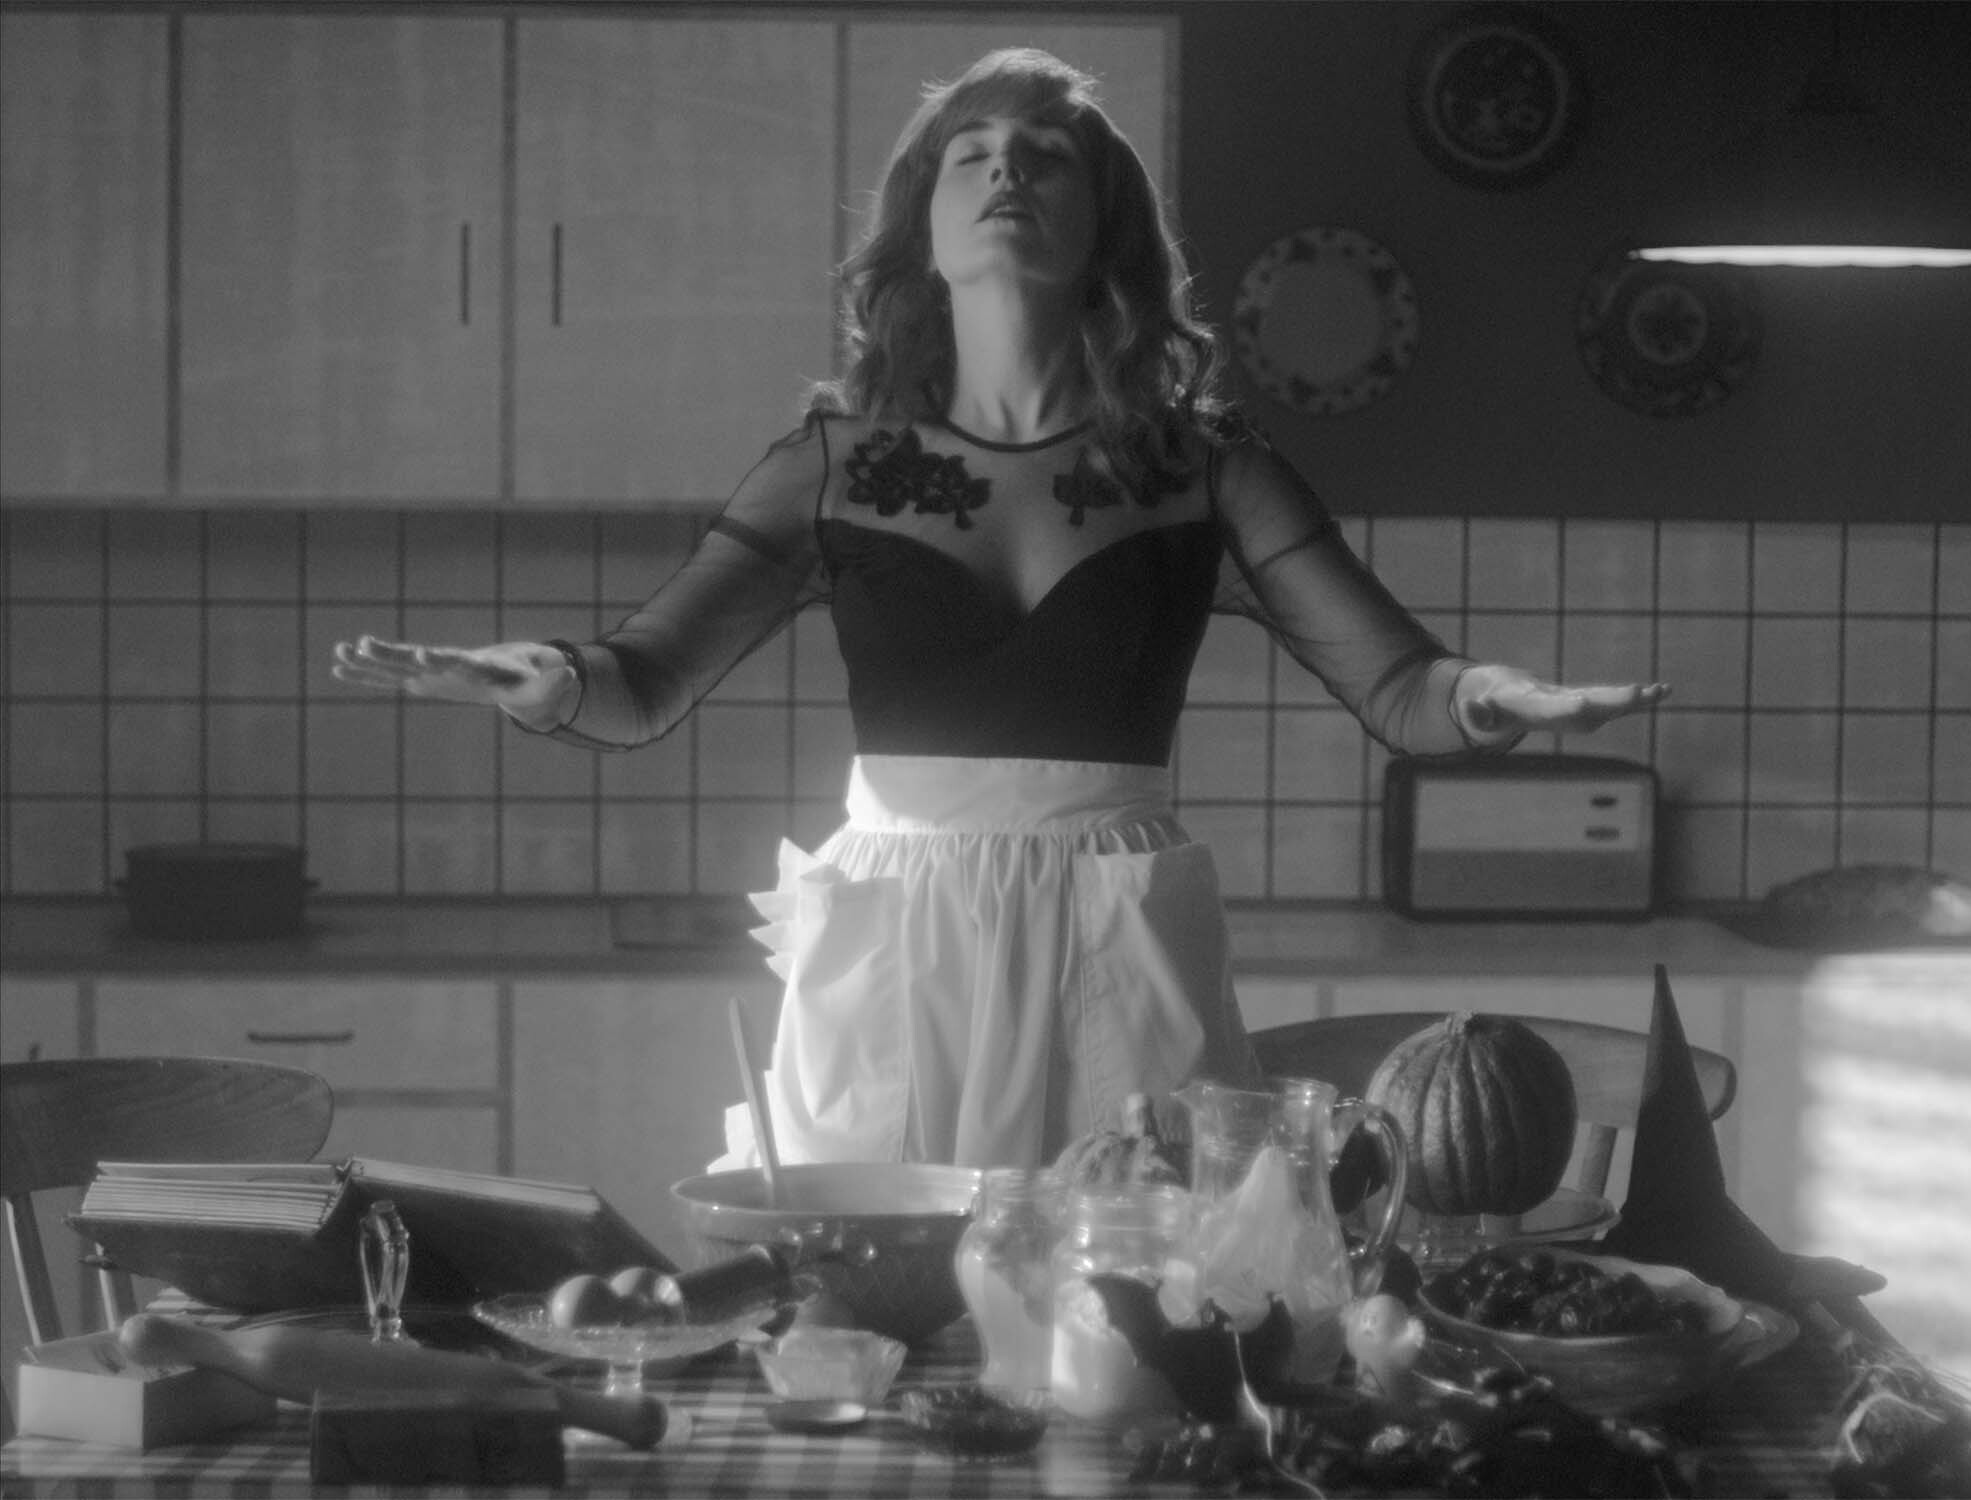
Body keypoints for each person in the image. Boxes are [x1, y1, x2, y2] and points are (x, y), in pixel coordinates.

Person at [335, 48, 1666, 1173]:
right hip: (891, 938)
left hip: (1116, 924)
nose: (1007, 172)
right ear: (923, 222)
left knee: (1149, 1306)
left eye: (1047, 155)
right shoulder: (831, 463)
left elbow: (1401, 686)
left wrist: (1498, 699)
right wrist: (544, 679)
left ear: (1107, 227)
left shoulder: (1207, 464)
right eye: (971, 153)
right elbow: (644, 677)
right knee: (872, 1301)